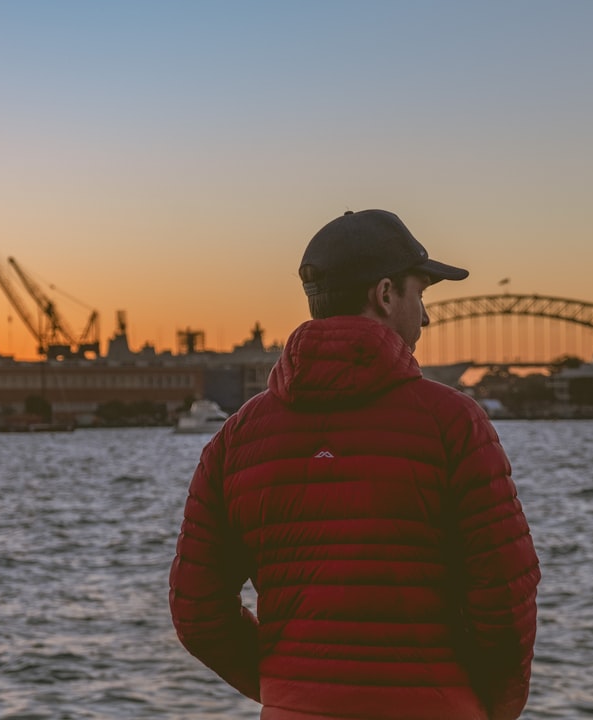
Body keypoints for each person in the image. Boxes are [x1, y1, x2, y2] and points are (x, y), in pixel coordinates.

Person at [169, 209, 541, 720]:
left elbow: (196, 611)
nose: (427, 317)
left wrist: (292, 688)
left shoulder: (237, 437)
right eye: (421, 295)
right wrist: (489, 707)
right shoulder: (452, 422)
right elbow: (505, 595)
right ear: (385, 294)